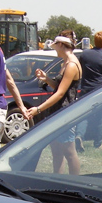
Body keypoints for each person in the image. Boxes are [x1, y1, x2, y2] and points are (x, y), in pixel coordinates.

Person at [26, 30, 82, 174]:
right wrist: (47, 79)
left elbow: (61, 93)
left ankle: (74, 184)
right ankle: (57, 180)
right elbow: (60, 87)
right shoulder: (65, 63)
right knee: (56, 151)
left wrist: (38, 109)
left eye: (55, 45)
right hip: (59, 111)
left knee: (69, 152)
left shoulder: (71, 65)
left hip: (65, 113)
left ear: (62, 45)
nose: (54, 49)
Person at [75, 30, 102, 150]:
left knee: (84, 115)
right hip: (99, 90)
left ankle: (79, 136)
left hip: (85, 89)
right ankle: (98, 143)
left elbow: (79, 70)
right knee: (100, 117)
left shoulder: (85, 54)